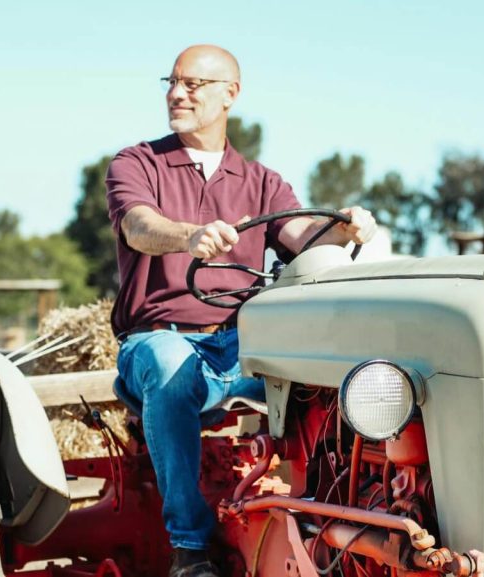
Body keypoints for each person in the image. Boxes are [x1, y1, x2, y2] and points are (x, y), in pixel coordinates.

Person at [105, 45, 376, 577]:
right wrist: (190, 235)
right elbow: (138, 226)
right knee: (168, 366)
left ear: (231, 94)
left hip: (238, 344)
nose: (176, 93)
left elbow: (301, 236)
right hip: (158, 336)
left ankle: (342, 516)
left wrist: (346, 228)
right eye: (172, 82)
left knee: (343, 370)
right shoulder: (137, 163)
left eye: (193, 84)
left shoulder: (262, 181)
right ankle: (190, 547)